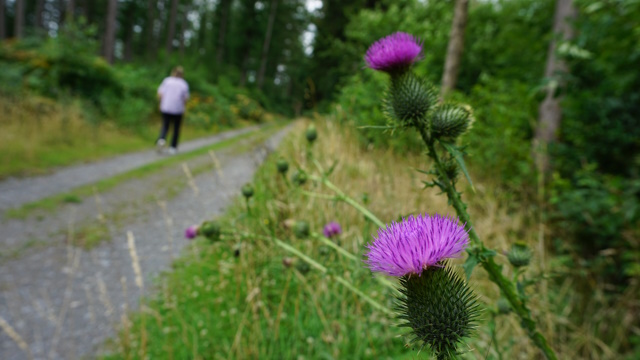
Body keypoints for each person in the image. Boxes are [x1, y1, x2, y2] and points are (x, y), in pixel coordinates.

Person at [156, 66, 189, 155]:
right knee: (176, 128)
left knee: (165, 125)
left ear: (173, 72)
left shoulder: (167, 81)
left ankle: (162, 139)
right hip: (178, 109)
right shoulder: (183, 84)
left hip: (166, 107)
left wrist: (160, 103)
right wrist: (184, 107)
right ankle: (173, 147)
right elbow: (185, 99)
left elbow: (160, 94)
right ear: (182, 74)